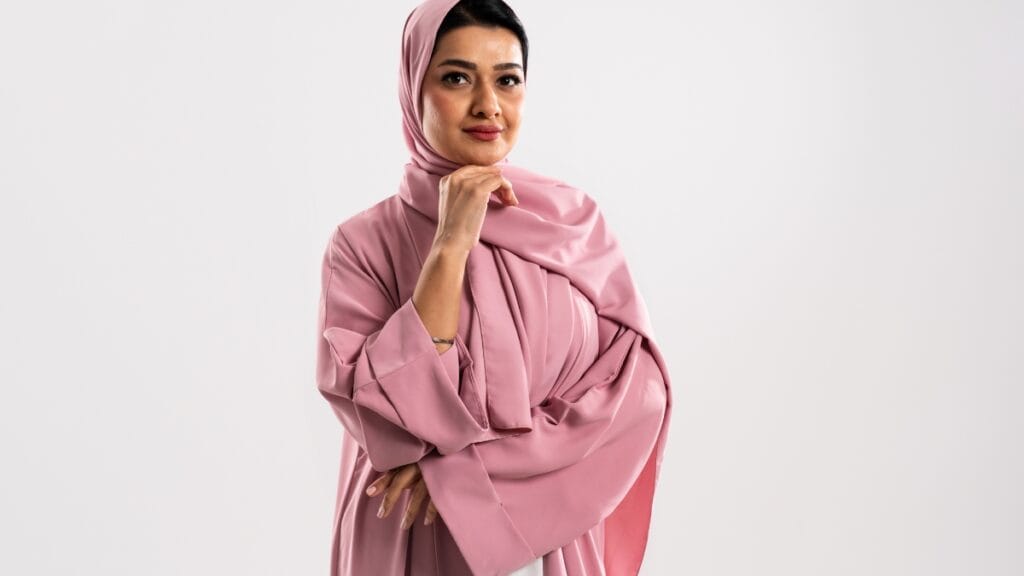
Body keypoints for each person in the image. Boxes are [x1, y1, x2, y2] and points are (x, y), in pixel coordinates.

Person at [314, 0, 674, 574]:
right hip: (409, 537)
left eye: (507, 80)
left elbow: (636, 397)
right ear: (414, 88)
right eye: (456, 77)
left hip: (548, 541)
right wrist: (451, 242)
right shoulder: (363, 245)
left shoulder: (572, 225)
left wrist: (469, 480)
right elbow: (387, 417)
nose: (488, 106)